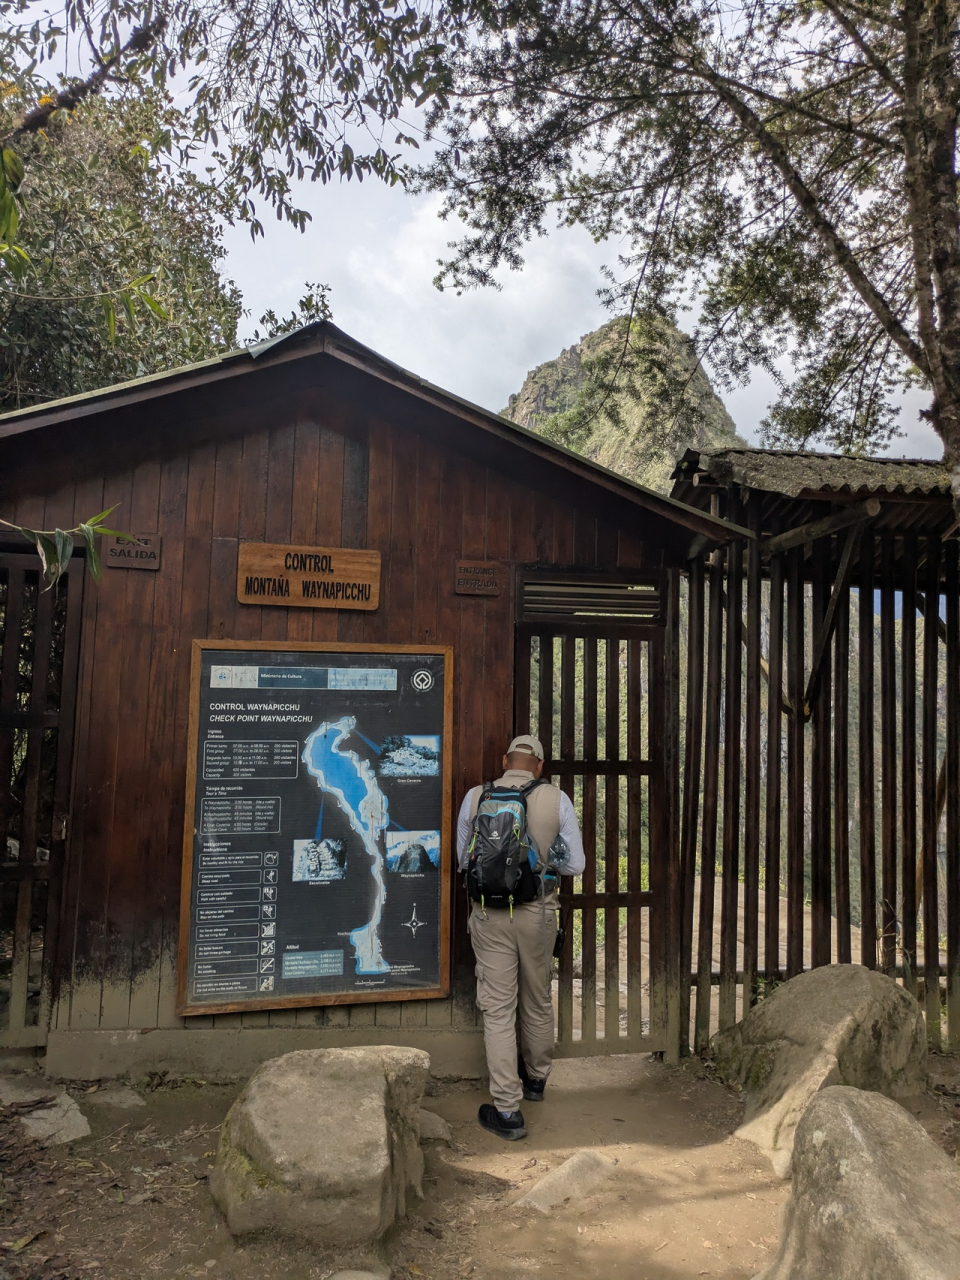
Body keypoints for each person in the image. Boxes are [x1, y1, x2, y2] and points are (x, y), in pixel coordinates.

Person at [456, 734, 585, 1140]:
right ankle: (536, 1080)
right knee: (537, 998)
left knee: (497, 1010)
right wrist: (544, 858)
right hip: (538, 912)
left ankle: (507, 1110)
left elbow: (463, 860)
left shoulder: (476, 797)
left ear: (505, 760)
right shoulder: (557, 800)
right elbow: (576, 865)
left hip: (489, 914)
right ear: (540, 766)